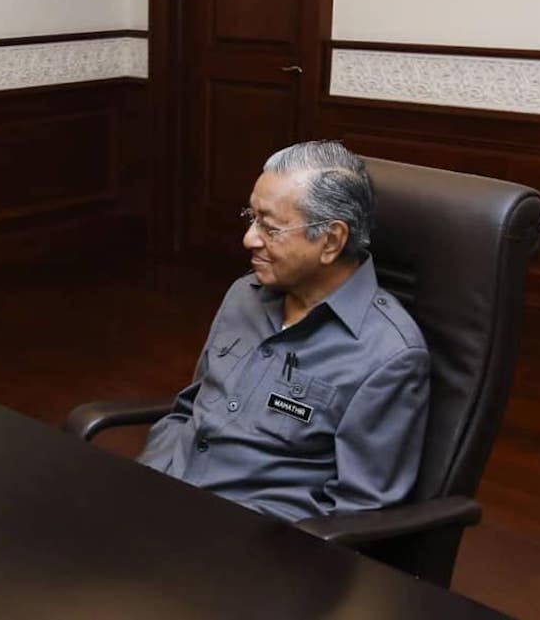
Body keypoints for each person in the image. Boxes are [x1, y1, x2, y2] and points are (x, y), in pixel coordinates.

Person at [137, 141, 430, 522]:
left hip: (240, 541)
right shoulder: (245, 293)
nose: (249, 239)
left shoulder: (389, 356)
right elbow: (193, 405)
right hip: (160, 489)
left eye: (270, 227)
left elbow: (358, 512)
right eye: (251, 216)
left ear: (331, 240)